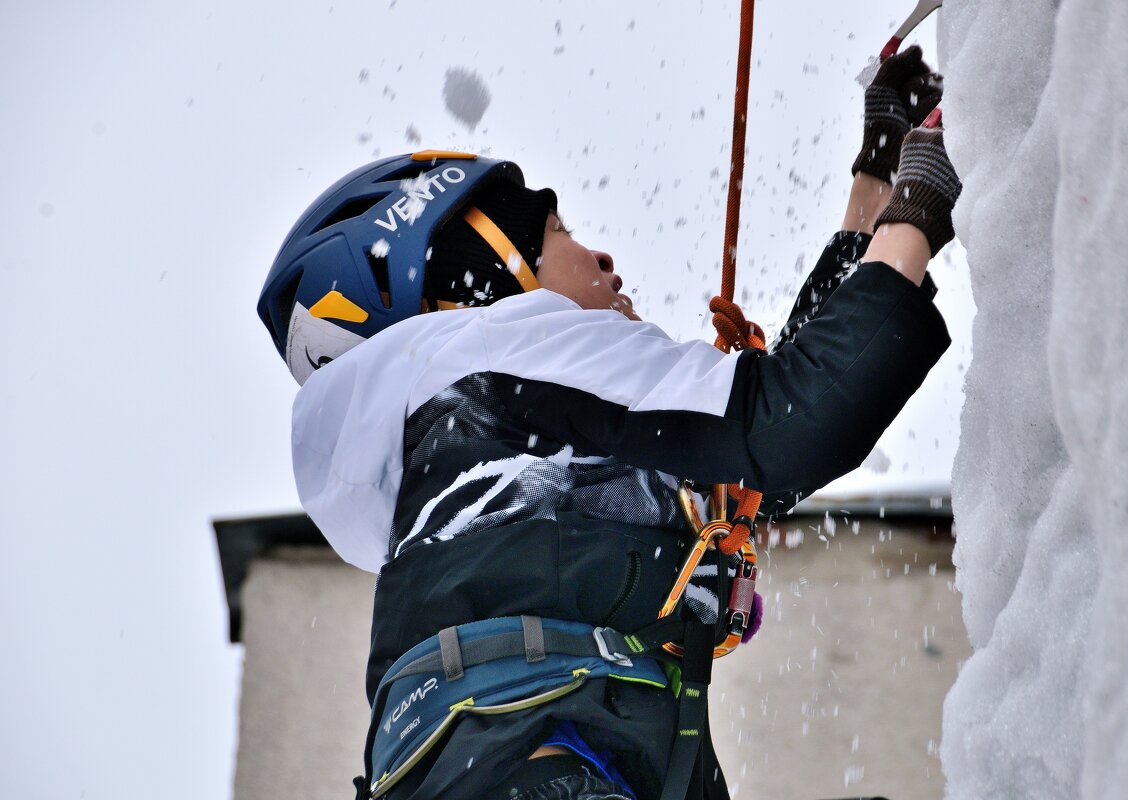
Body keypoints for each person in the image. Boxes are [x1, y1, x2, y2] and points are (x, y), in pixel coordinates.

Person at [257, 45, 957, 800]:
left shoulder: (478, 429)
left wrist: (881, 178)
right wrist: (917, 204)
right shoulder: (510, 351)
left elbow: (758, 448)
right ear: (486, 282)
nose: (603, 257)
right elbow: (788, 420)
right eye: (559, 232)